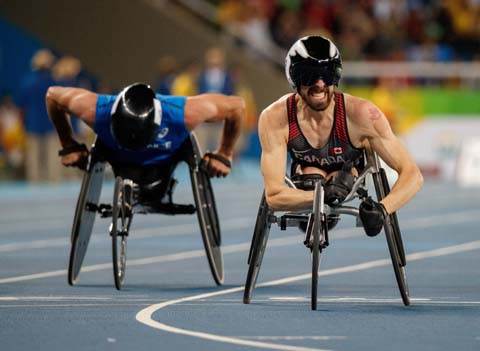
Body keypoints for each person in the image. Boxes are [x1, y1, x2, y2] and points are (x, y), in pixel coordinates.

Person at [258, 35, 423, 236]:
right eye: (309, 75)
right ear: (295, 78)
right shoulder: (275, 117)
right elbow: (273, 196)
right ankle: (318, 187)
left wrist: (383, 208)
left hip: (348, 174)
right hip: (307, 178)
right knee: (313, 177)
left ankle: (326, 185)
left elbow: (413, 174)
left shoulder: (362, 114)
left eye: (326, 74)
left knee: (337, 180)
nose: (319, 84)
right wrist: (321, 195)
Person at [46, 83, 244, 199]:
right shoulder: (95, 110)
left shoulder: (183, 113)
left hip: (162, 166)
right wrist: (68, 144)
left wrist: (224, 152)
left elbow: (237, 106)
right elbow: (52, 95)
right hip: (119, 162)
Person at [16, 48, 60, 183]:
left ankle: (34, 181)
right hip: (51, 122)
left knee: (33, 156)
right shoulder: (53, 81)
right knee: (52, 155)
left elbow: (21, 105)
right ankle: (53, 181)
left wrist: (22, 123)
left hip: (33, 123)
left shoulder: (27, 82)